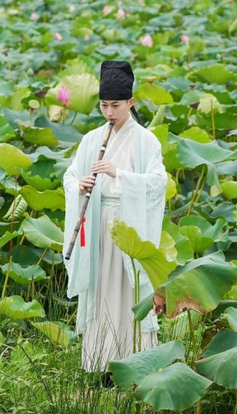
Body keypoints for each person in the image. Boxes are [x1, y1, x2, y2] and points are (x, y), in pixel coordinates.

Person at [62, 61, 167, 376]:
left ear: (130, 102)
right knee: (102, 291)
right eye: (104, 105)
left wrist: (119, 174)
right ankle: (100, 363)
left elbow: (158, 183)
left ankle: (135, 362)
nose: (109, 112)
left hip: (129, 225)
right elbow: (70, 175)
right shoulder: (92, 139)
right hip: (97, 224)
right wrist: (78, 185)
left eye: (116, 105)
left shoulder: (146, 141)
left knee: (128, 289)